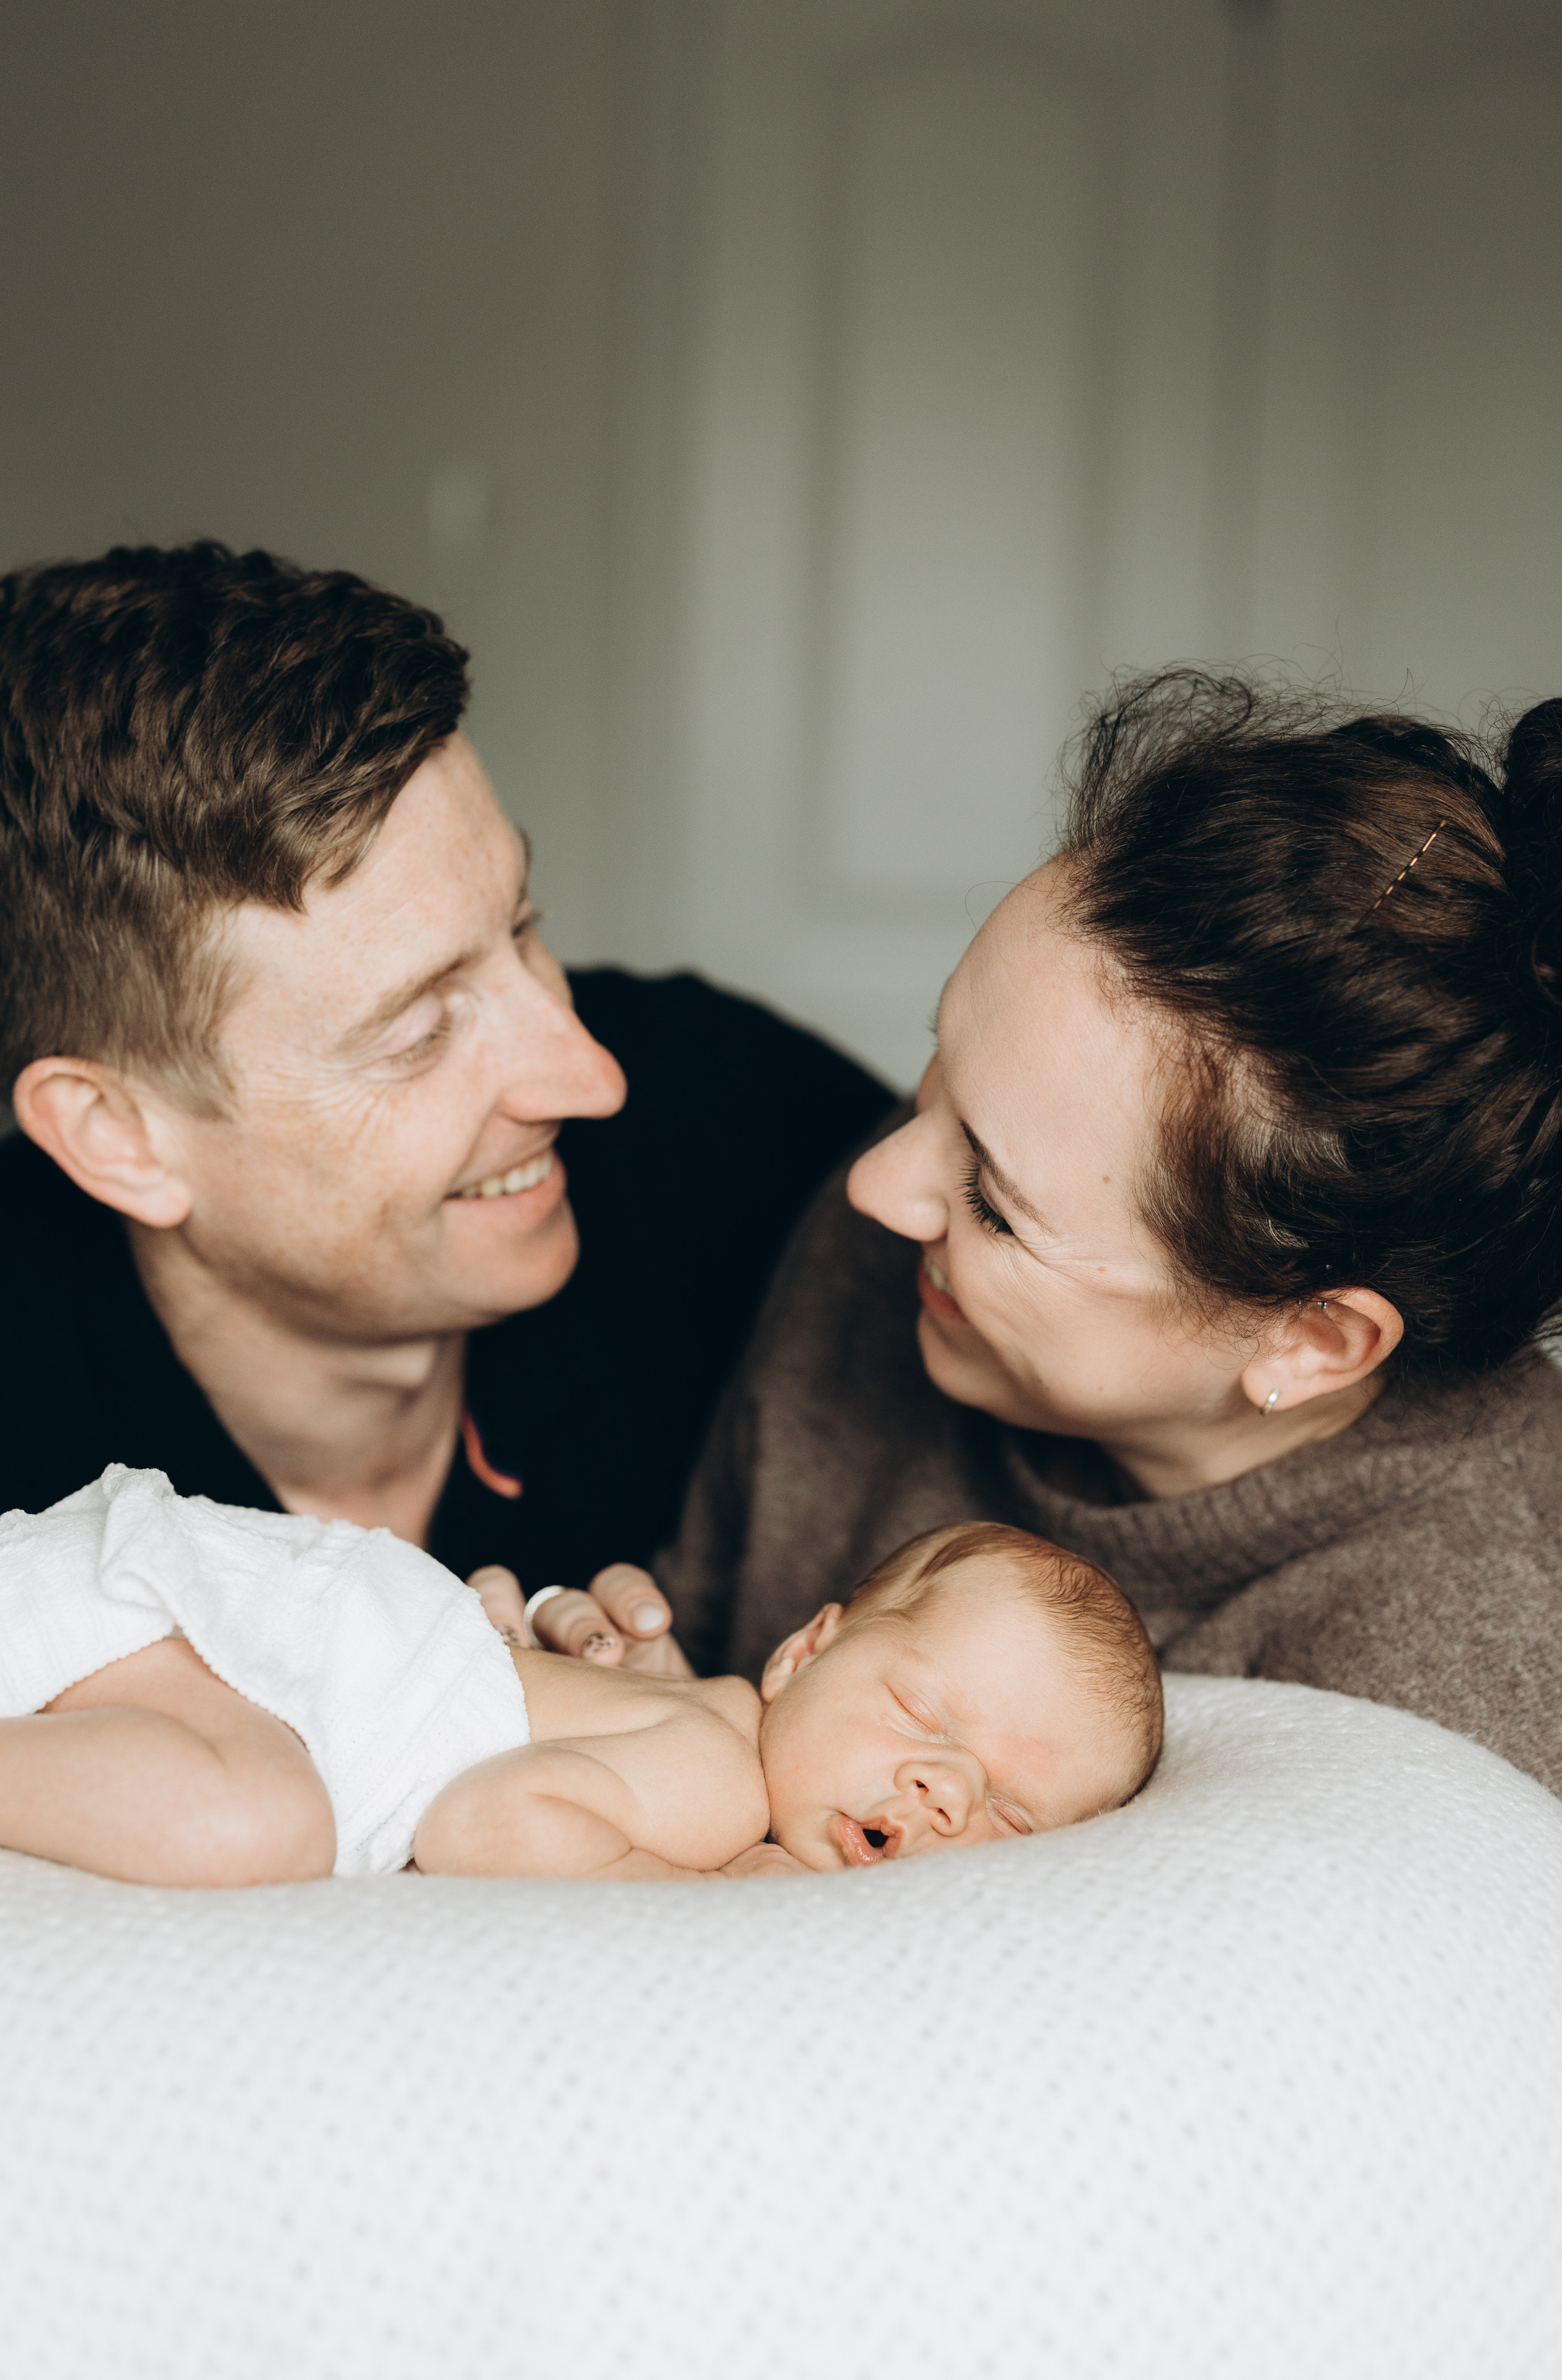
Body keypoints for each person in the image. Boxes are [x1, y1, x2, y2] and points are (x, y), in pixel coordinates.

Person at [0, 544, 893, 1666]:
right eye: (418, 1030)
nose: (588, 1077)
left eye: (522, 928)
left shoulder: (729, 1121)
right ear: (118, 1137)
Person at [656, 673, 1562, 1797]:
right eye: (936, 1062)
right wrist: (625, 1691)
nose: (878, 1186)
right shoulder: (908, 1246)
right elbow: (709, 1665)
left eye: (993, 1201)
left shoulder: (1455, 1689)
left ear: (1311, 1341)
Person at [0, 1466, 1161, 1884]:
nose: (943, 1789)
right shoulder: (718, 1776)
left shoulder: (693, 1728)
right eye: (919, 1712)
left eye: (1008, 1812)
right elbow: (489, 1823)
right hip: (203, 1627)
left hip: (197, 1631)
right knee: (247, 1823)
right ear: (804, 1653)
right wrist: (704, 1899)